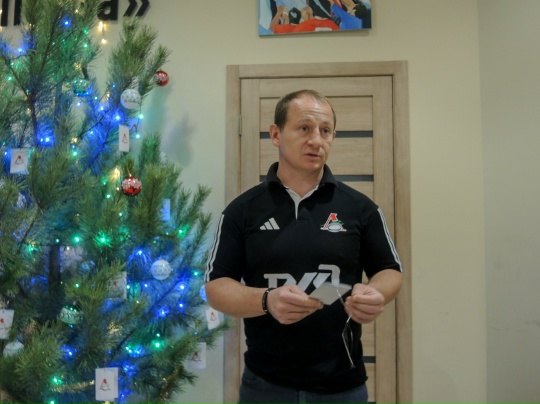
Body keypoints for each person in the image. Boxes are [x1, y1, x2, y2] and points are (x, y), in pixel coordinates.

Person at [205, 89, 403, 404]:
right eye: (304, 128)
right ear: (276, 134)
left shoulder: (360, 208)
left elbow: (390, 271)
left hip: (343, 386)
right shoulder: (242, 211)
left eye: (325, 131)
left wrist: (376, 292)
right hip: (265, 385)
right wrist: (267, 300)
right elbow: (216, 287)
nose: (316, 140)